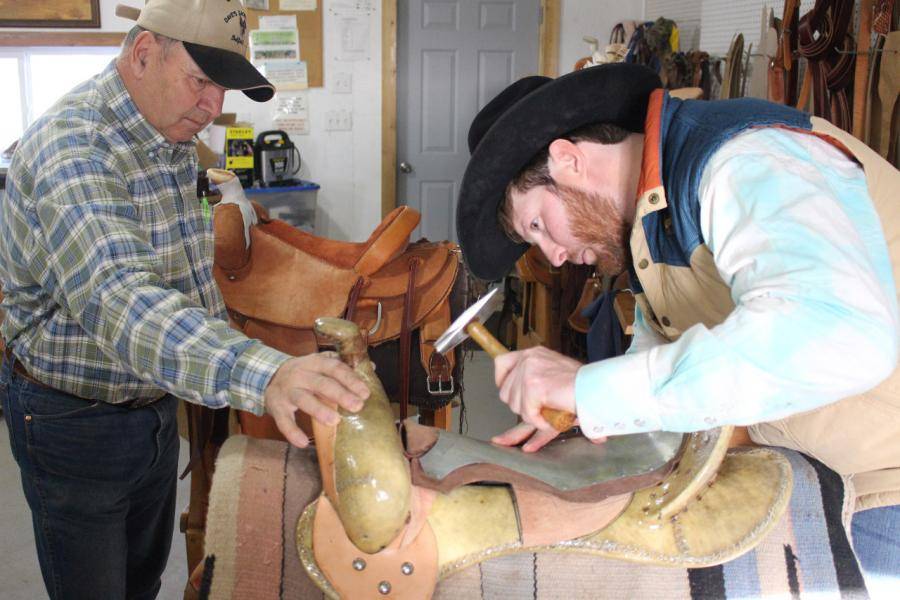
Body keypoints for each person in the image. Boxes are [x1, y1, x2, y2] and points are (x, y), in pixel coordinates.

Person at [456, 63, 900, 596]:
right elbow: (675, 387)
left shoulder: (745, 159)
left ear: (568, 159)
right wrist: (587, 404)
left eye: (537, 225)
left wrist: (590, 390)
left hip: (884, 489)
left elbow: (838, 333)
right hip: (832, 478)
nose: (552, 256)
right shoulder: (648, 237)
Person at [0, 1, 369, 599]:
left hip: (150, 406)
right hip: (72, 415)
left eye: (221, 87)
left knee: (141, 582)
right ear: (143, 53)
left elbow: (185, 276)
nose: (213, 106)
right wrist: (264, 371)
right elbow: (123, 299)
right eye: (201, 81)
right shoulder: (75, 148)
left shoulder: (168, 138)